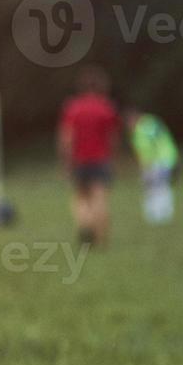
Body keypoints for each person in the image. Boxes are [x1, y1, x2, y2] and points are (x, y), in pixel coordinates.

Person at [57, 66, 120, 247]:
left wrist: (66, 161)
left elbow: (66, 138)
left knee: (80, 198)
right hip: (101, 159)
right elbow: (112, 138)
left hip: (79, 160)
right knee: (100, 199)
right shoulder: (107, 108)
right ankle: (101, 240)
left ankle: (85, 224)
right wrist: (113, 158)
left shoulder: (73, 108)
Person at [125, 108, 178, 225]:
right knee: (152, 187)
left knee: (160, 186)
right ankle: (154, 214)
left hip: (161, 161)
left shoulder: (147, 125)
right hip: (153, 162)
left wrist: (153, 162)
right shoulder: (138, 131)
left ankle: (162, 214)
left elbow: (156, 143)